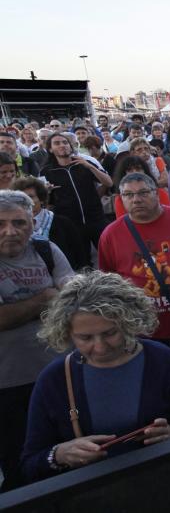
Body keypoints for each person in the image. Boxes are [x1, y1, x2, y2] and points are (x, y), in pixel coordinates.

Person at [20, 271, 170, 483]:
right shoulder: (53, 380)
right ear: (66, 332)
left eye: (110, 333)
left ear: (128, 322)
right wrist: (59, 455)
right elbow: (30, 463)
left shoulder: (165, 361)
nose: (99, 347)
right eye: (85, 338)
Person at [98, 172, 170, 379]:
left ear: (157, 193)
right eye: (128, 195)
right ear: (120, 198)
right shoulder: (110, 235)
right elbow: (108, 283)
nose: (136, 199)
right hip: (144, 329)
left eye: (142, 192)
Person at [0, 190, 75, 490]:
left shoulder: (47, 250)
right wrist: (44, 298)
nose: (10, 231)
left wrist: (17, 309)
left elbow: (72, 298)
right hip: (7, 385)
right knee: (18, 462)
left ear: (33, 223)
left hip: (59, 373)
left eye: (19, 223)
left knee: (65, 453)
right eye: (1, 223)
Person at [39, 132, 112, 266]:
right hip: (71, 224)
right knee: (82, 263)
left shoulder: (85, 162)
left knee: (110, 256)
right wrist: (47, 193)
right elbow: (44, 203)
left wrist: (89, 166)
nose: (62, 145)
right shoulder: (46, 172)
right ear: (50, 149)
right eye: (57, 143)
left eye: (65, 142)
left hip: (96, 218)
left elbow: (108, 183)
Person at [12, 177, 87, 270]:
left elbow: (80, 255)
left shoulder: (62, 223)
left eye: (30, 197)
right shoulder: (11, 228)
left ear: (42, 199)